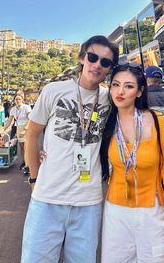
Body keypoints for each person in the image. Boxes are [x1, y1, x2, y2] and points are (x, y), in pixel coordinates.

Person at [21, 35, 119, 263]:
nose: (97, 65)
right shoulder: (54, 90)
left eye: (105, 62)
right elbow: (33, 133)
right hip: (47, 198)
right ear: (82, 58)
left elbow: (136, 108)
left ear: (109, 69)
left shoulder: (110, 98)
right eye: (93, 57)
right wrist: (34, 180)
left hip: (88, 202)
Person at [100, 62, 164, 263]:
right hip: (116, 214)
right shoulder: (105, 124)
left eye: (128, 86)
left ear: (139, 91)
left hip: (152, 214)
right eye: (115, 85)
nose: (120, 91)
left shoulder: (159, 122)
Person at [4, 92, 31, 172]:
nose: (18, 100)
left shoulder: (26, 107)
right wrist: (3, 130)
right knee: (22, 147)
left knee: (27, 147)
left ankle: (28, 165)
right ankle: (24, 161)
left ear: (22, 100)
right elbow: (9, 121)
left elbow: (31, 119)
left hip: (27, 127)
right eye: (16, 99)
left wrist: (25, 129)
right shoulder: (13, 109)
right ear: (14, 100)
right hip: (18, 127)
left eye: (19, 99)